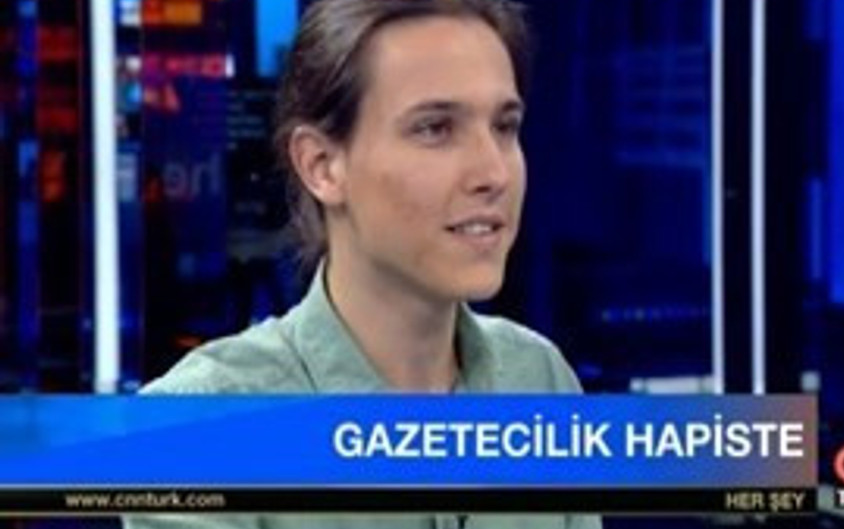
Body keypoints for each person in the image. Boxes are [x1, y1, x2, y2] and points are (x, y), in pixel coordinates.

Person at [127, 0, 601, 527]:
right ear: (322, 166)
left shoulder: (540, 380)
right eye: (435, 129)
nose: (494, 173)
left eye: (505, 127)